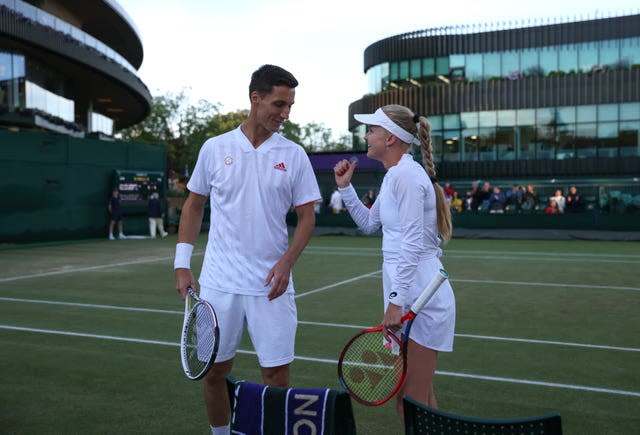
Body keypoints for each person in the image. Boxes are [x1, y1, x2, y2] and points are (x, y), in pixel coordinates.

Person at [173, 65, 321, 435]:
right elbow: (193, 205)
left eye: (290, 106)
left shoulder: (294, 154)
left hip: (271, 285)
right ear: (255, 98)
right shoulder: (215, 148)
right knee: (215, 373)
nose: (285, 114)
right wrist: (181, 264)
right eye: (279, 104)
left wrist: (286, 263)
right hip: (219, 283)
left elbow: (306, 219)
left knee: (276, 376)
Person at [333, 104, 455, 420]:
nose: (367, 135)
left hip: (422, 299)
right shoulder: (395, 176)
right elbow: (370, 223)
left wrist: (395, 303)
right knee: (419, 401)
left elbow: (412, 245)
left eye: (372, 129)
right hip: (408, 295)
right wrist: (345, 188)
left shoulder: (407, 177)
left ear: (390, 138)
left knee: (411, 404)